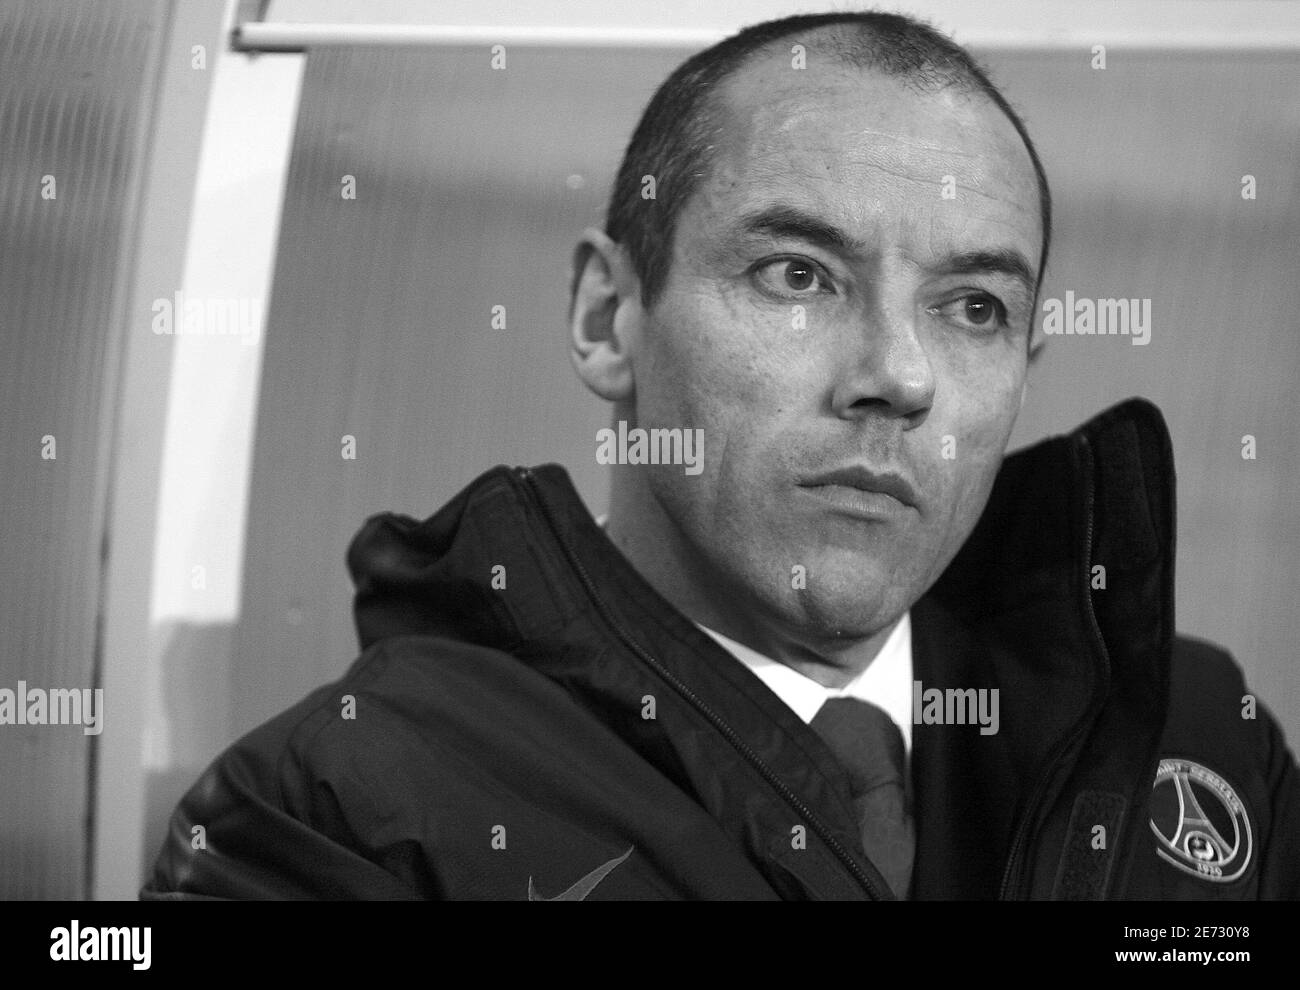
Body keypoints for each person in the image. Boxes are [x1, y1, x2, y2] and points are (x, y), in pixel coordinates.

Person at [143, 10, 1299, 900]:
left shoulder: (1195, 737)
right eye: (796, 274)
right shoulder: (342, 809)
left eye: (974, 307)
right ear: (608, 319)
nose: (897, 374)